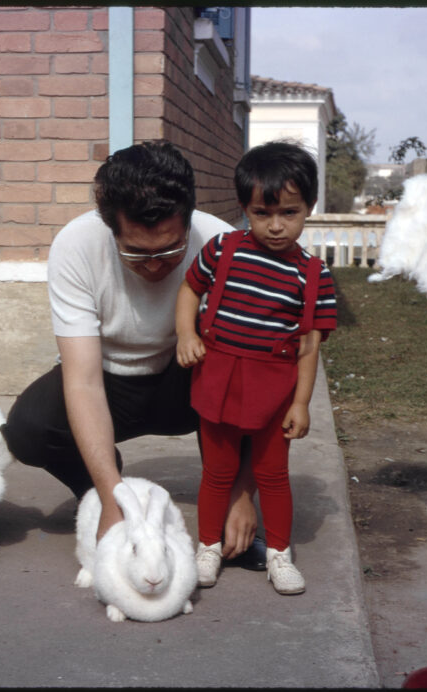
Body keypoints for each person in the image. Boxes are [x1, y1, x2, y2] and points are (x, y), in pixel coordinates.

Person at [0, 140, 263, 560]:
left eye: (171, 249)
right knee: (27, 429)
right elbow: (83, 381)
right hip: (109, 384)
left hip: (186, 381)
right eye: (137, 252)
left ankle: (226, 495)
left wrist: (243, 493)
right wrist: (110, 497)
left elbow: (259, 380)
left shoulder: (224, 245)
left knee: (241, 370)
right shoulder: (77, 245)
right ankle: (105, 489)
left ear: (189, 219)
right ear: (111, 228)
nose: (155, 265)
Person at [175, 141, 337, 594]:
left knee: (273, 476)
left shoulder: (313, 275)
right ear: (244, 207)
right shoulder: (223, 249)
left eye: (289, 212)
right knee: (217, 473)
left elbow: (309, 344)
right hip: (218, 380)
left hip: (275, 390)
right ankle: (208, 547)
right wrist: (186, 334)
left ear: (309, 207)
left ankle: (279, 555)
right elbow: (189, 290)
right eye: (262, 213)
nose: (276, 225)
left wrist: (301, 403)